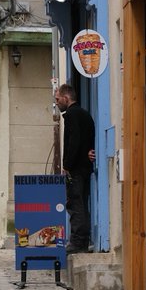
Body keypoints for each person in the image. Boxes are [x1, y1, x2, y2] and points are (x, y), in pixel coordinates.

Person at [55, 83, 96, 253]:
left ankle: (78, 242)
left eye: (58, 99)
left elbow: (74, 142)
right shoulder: (85, 114)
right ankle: (83, 241)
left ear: (66, 98)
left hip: (76, 169)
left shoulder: (71, 115)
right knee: (82, 204)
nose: (56, 103)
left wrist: (66, 165)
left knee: (75, 204)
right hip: (85, 167)